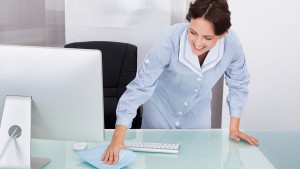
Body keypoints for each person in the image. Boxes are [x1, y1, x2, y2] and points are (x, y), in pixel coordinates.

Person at [102, 0, 259, 165]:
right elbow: (141, 85)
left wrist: (234, 127)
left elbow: (238, 82)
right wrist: (118, 136)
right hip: (160, 114)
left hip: (197, 118)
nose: (197, 43)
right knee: (159, 164)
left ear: (222, 34)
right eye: (193, 32)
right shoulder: (171, 38)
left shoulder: (231, 43)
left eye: (207, 38)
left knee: (195, 164)